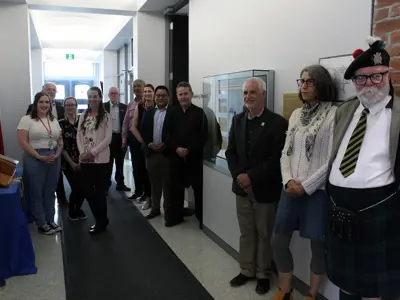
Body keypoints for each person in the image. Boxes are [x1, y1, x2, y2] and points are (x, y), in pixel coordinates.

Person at [326, 36, 400, 300]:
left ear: (388, 75)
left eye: (376, 76)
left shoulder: (399, 115)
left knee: (373, 292)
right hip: (338, 209)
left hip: (380, 215)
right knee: (345, 285)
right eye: (361, 78)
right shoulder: (345, 111)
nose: (369, 84)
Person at [271, 65, 338, 300]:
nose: (304, 86)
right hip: (289, 188)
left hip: (316, 192)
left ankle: (311, 294)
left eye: (310, 82)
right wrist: (288, 180)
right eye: (302, 81)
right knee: (278, 239)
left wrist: (306, 185)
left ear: (321, 84)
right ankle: (286, 290)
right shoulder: (297, 114)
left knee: (318, 245)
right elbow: (285, 152)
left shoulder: (334, 114)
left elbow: (331, 158)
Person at [226, 77, 287, 295]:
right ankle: (247, 270)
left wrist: (251, 177)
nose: (248, 97)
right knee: (246, 232)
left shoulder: (277, 123)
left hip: (265, 189)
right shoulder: (238, 120)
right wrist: (239, 176)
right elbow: (230, 151)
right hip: (241, 188)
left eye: (252, 92)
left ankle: (263, 274)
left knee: (264, 233)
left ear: (263, 94)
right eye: (245, 93)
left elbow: (275, 159)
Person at [17, 91, 63, 235]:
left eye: (47, 102)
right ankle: (41, 222)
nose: (44, 105)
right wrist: (38, 156)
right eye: (41, 102)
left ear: (50, 104)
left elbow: (59, 140)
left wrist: (58, 152)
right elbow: (23, 142)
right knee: (36, 191)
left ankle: (50, 219)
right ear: (36, 104)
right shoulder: (27, 119)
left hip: (53, 157)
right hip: (35, 157)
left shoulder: (54, 120)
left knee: (50, 191)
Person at [165, 81, 208, 228]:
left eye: (186, 93)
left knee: (198, 190)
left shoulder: (199, 113)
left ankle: (202, 218)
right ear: (177, 96)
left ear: (191, 94)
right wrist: (176, 148)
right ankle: (175, 217)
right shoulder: (172, 112)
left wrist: (189, 149)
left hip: (194, 159)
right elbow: (166, 134)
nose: (183, 97)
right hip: (175, 158)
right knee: (175, 190)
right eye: (180, 94)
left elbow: (203, 136)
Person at [77, 86, 112, 234]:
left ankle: (101, 221)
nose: (92, 99)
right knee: (87, 191)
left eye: (95, 96)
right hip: (85, 160)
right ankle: (101, 218)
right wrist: (82, 153)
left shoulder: (106, 116)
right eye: (89, 96)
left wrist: (93, 152)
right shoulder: (83, 114)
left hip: (101, 160)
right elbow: (78, 135)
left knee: (99, 193)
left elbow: (108, 138)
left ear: (100, 98)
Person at [139, 85, 171, 219]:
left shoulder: (173, 112)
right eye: (158, 95)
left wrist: (166, 144)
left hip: (166, 154)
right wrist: (149, 144)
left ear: (168, 97)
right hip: (151, 154)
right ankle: (155, 209)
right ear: (154, 97)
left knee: (168, 184)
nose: (160, 98)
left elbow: (176, 132)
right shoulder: (150, 112)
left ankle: (168, 211)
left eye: (163, 95)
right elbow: (143, 130)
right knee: (154, 182)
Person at [59, 97, 86, 221]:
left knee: (84, 187)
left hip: (84, 160)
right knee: (76, 186)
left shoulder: (83, 121)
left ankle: (78, 208)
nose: (70, 107)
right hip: (67, 161)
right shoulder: (60, 124)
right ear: (64, 107)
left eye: (72, 105)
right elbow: (61, 147)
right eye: (67, 105)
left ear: (76, 106)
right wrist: (72, 163)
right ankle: (71, 210)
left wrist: (81, 161)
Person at [104, 87, 130, 192]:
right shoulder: (103, 107)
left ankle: (120, 183)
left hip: (120, 138)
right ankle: (106, 185)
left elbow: (127, 123)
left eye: (115, 93)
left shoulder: (125, 107)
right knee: (108, 163)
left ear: (118, 95)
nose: (114, 95)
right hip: (108, 138)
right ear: (109, 95)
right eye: (111, 93)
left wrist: (126, 139)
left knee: (120, 162)